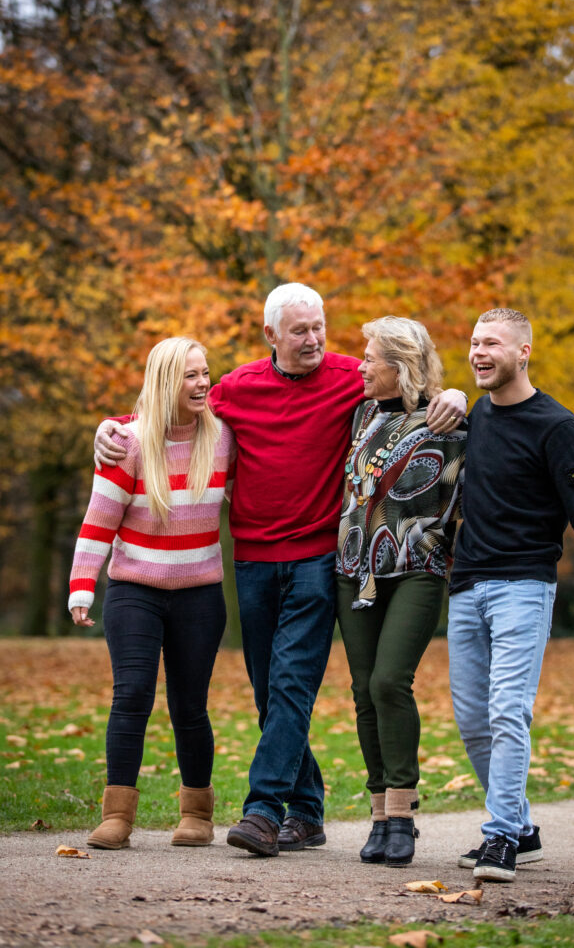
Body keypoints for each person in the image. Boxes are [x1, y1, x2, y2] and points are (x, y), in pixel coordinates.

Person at [94, 284, 469, 856]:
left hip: (319, 560)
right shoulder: (237, 389)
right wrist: (112, 427)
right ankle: (310, 809)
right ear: (271, 335)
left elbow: (417, 390)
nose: (314, 339)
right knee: (270, 693)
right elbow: (172, 407)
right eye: (300, 331)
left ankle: (264, 810)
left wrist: (460, 396)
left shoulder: (354, 378)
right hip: (252, 561)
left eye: (319, 326)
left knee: (292, 686)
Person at [447, 308, 574, 883]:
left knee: (507, 711)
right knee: (473, 719)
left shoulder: (558, 426)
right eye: (474, 342)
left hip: (524, 586)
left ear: (524, 351)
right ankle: (522, 830)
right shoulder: (477, 414)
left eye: (491, 343)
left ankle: (499, 837)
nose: (478, 352)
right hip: (467, 585)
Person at [69, 337, 235, 850]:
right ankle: (117, 813)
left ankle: (197, 814)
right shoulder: (128, 442)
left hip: (199, 595)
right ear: (165, 381)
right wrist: (82, 587)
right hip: (134, 589)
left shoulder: (225, 438)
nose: (203, 383)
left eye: (205, 373)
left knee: (190, 704)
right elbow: (99, 522)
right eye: (190, 375)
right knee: (133, 694)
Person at [336, 317, 466, 867]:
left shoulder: (449, 419)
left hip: (418, 566)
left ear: (401, 365)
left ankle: (404, 813)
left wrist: (458, 393)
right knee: (364, 689)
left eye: (370, 359)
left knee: (391, 680)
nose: (361, 367)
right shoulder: (359, 412)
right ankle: (380, 816)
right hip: (352, 568)